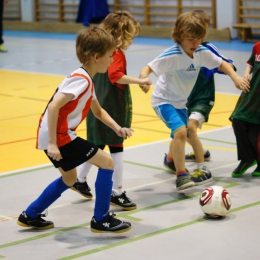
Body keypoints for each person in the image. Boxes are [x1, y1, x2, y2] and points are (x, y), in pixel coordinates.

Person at [16, 27, 133, 233]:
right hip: (59, 136)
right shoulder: (82, 80)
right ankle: (101, 218)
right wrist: (52, 143)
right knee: (107, 162)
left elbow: (98, 111)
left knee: (70, 178)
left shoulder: (86, 77)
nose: (112, 59)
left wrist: (117, 127)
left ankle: (31, 214)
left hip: (54, 133)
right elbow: (54, 106)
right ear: (96, 57)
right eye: (109, 56)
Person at [139, 11, 250, 191]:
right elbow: (148, 67)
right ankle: (182, 176)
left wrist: (235, 78)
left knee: (182, 135)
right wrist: (144, 79)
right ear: (180, 36)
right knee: (182, 132)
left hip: (181, 103)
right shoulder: (172, 55)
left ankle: (172, 161)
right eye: (191, 39)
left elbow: (222, 64)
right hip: (163, 100)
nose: (195, 43)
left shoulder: (201, 52)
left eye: (199, 38)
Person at [72, 11, 152, 210]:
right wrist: (140, 80)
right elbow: (116, 76)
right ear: (121, 33)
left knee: (98, 147)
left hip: (99, 102)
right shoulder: (115, 53)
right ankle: (117, 191)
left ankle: (80, 179)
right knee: (116, 147)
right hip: (110, 105)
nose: (132, 39)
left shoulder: (105, 53)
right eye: (130, 35)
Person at [164, 10, 237, 186]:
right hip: (183, 99)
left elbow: (228, 65)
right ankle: (172, 158)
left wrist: (226, 71)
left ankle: (203, 168)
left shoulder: (206, 50)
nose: (195, 40)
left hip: (202, 98)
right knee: (178, 132)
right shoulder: (179, 50)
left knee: (189, 128)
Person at [230, 41, 260, 178]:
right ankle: (247, 158)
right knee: (238, 119)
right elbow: (250, 63)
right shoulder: (257, 47)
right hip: (253, 92)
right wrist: (247, 73)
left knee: (255, 132)